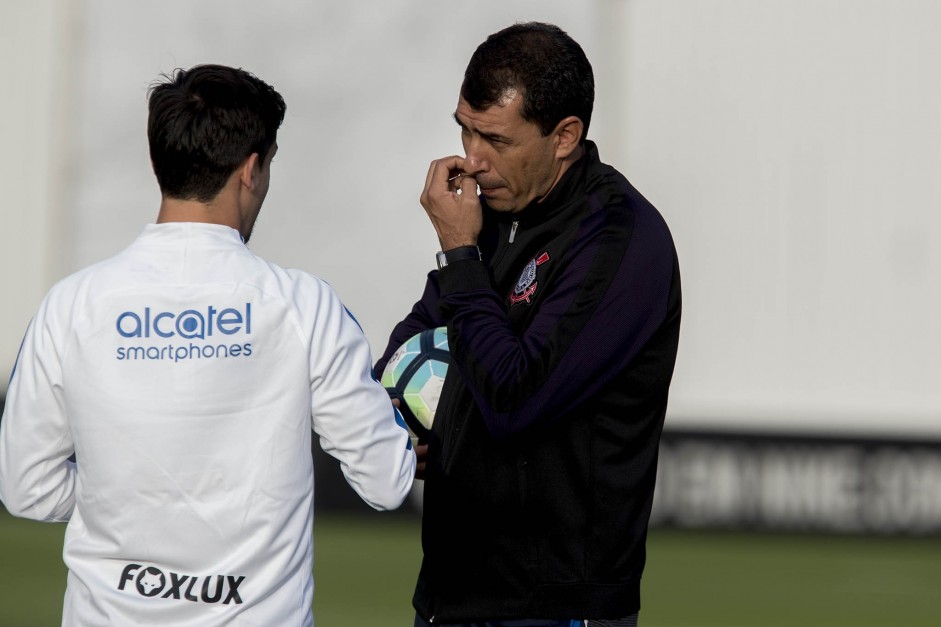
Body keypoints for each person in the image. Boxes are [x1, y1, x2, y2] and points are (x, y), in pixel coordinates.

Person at [0, 64, 415, 626]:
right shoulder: (305, 305)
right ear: (252, 168)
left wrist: (126, 503)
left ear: (160, 161)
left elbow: (24, 488)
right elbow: (387, 482)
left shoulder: (71, 305)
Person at [375, 22, 681, 626]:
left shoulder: (621, 240)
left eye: (495, 138)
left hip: (555, 606)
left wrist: (460, 255)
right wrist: (403, 418)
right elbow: (411, 346)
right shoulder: (493, 214)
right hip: (450, 596)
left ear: (565, 136)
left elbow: (516, 398)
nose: (472, 158)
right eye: (464, 128)